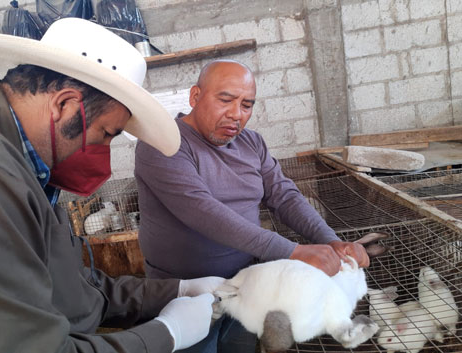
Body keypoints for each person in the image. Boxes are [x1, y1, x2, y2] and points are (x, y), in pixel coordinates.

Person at [0, 18, 226, 353]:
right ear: (65, 106)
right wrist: (167, 334)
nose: (103, 155)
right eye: (106, 135)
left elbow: (73, 289)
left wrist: (175, 291)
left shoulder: (27, 161)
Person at [134, 60, 370, 352]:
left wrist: (331, 241)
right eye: (225, 100)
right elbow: (203, 211)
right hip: (184, 292)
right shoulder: (164, 143)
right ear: (195, 96)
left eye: (247, 105)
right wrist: (293, 252)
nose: (236, 114)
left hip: (247, 287)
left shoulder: (252, 143)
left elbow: (284, 195)